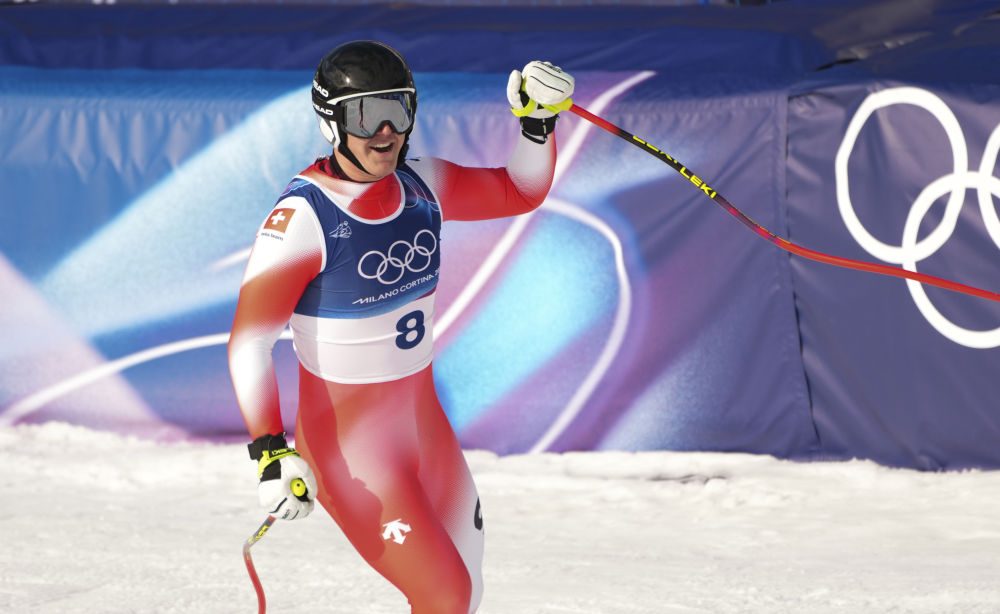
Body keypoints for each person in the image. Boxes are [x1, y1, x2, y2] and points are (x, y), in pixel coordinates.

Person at [227, 40, 574, 614]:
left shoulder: (422, 185)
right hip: (351, 454)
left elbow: (520, 190)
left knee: (466, 591)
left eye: (398, 109)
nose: (385, 131)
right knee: (445, 595)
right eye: (365, 115)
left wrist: (537, 126)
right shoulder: (303, 220)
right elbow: (249, 343)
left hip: (424, 430)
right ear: (331, 123)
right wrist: (269, 452)